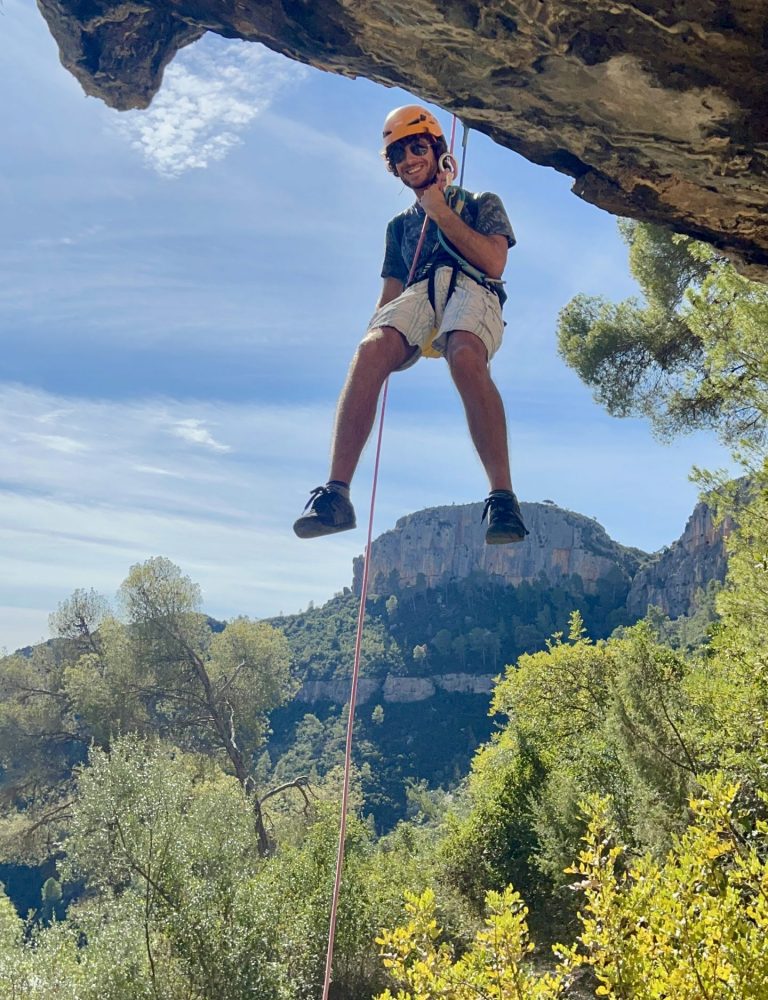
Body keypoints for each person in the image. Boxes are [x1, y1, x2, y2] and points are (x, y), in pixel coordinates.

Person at [293, 105, 528, 545]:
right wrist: (378, 346)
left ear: (438, 149)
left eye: (417, 148)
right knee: (368, 349)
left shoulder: (481, 204)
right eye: (398, 155)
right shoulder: (399, 227)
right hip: (418, 292)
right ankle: (335, 494)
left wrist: (440, 211)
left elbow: (494, 261)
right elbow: (390, 295)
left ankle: (502, 498)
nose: (408, 160)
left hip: (472, 285)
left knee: (463, 353)